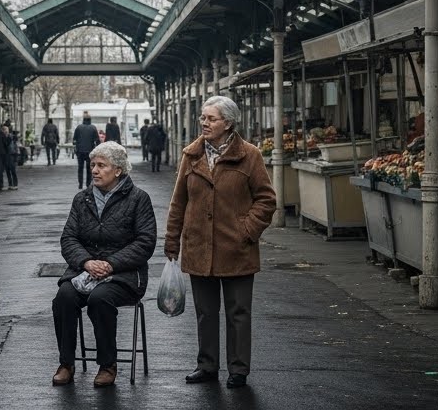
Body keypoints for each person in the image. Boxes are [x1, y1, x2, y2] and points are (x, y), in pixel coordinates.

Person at [165, 95, 277, 389]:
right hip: (199, 247)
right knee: (205, 312)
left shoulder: (250, 155)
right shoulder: (191, 156)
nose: (204, 123)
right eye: (203, 118)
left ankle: (238, 369)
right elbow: (179, 201)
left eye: (211, 118)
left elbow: (266, 200)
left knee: (238, 312)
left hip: (237, 248)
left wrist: (246, 230)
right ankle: (207, 365)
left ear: (228, 123)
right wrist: (172, 241)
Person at [51, 142, 156, 388]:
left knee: (100, 299)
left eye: (101, 165)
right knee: (64, 298)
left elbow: (145, 242)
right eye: (93, 165)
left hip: (125, 274)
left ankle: (107, 364)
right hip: (84, 271)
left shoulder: (138, 199)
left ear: (118, 170)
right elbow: (69, 238)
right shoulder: (82, 199)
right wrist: (86, 262)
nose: (95, 171)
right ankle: (66, 363)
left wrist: (110, 264)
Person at [72, 114, 99, 190]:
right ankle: (88, 184)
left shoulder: (78, 128)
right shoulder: (93, 128)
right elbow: (97, 140)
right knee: (89, 169)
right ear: (90, 120)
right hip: (90, 152)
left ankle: (80, 184)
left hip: (80, 151)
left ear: (83, 120)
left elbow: (74, 139)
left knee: (80, 168)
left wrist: (75, 147)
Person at [0, 122, 20, 189]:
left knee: (13, 170)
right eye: (4, 130)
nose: (5, 131)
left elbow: (14, 146)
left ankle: (15, 184)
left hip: (11, 155)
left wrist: (16, 156)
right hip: (6, 155)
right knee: (8, 170)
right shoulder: (2, 138)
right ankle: (10, 184)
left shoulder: (11, 137)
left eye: (6, 130)